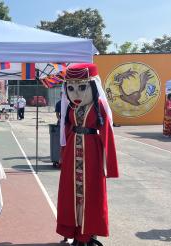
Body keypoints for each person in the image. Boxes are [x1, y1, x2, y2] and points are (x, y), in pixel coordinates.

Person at [57, 63, 119, 245]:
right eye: (71, 88)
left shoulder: (99, 106)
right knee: (71, 193)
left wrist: (110, 165)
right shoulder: (70, 108)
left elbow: (107, 134)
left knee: (92, 194)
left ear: (92, 85)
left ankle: (89, 234)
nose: (76, 94)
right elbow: (65, 130)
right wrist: (63, 155)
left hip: (92, 153)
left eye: (82, 87)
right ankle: (74, 232)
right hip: (72, 154)